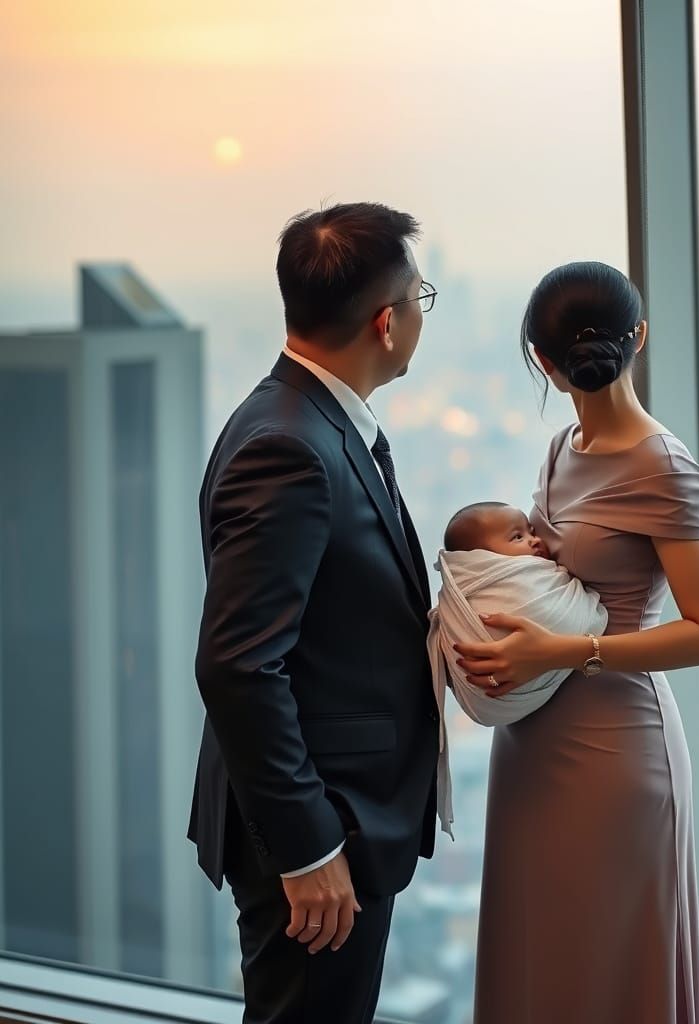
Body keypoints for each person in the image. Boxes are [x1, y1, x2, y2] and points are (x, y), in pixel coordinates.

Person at [458, 261, 699, 1023]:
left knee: (609, 965)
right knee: (540, 957)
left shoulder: (662, 467)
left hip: (617, 746)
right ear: (638, 337)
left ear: (543, 363)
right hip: (534, 745)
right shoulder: (559, 449)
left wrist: (564, 653)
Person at [188, 202, 442, 1024]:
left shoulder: (307, 419)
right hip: (318, 831)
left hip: (335, 816)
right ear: (386, 323)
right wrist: (310, 847)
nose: (416, 314)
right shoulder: (288, 447)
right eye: (417, 298)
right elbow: (237, 663)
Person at [427, 502, 608, 733]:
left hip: (576, 716)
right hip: (517, 727)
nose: (535, 540)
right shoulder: (483, 588)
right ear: (480, 559)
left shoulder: (532, 579)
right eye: (517, 537)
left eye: (531, 531)